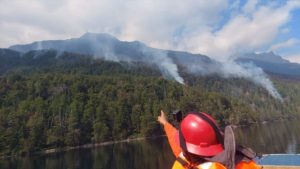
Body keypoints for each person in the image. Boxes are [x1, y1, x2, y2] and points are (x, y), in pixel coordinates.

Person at [157, 110, 261, 169]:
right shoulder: (244, 163)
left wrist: (165, 123)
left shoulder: (183, 164)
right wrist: (166, 123)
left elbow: (179, 145)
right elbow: (176, 140)